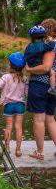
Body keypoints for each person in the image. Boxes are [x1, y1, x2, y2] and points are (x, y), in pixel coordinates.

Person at [25, 19, 56, 160]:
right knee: (50, 119)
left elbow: (45, 67)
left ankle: (40, 152)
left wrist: (29, 70)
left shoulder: (45, 47)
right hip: (53, 86)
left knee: (38, 119)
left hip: (39, 84)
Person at [0, 52, 28, 157]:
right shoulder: (25, 79)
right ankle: (18, 150)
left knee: (8, 127)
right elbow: (27, 93)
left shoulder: (6, 77)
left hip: (9, 105)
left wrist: (1, 86)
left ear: (10, 65)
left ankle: (7, 148)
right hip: (20, 105)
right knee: (19, 128)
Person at [24, 25, 56, 95]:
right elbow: (50, 47)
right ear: (44, 36)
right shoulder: (43, 46)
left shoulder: (29, 46)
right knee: (52, 73)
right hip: (39, 67)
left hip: (31, 67)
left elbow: (25, 55)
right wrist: (51, 41)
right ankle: (52, 88)